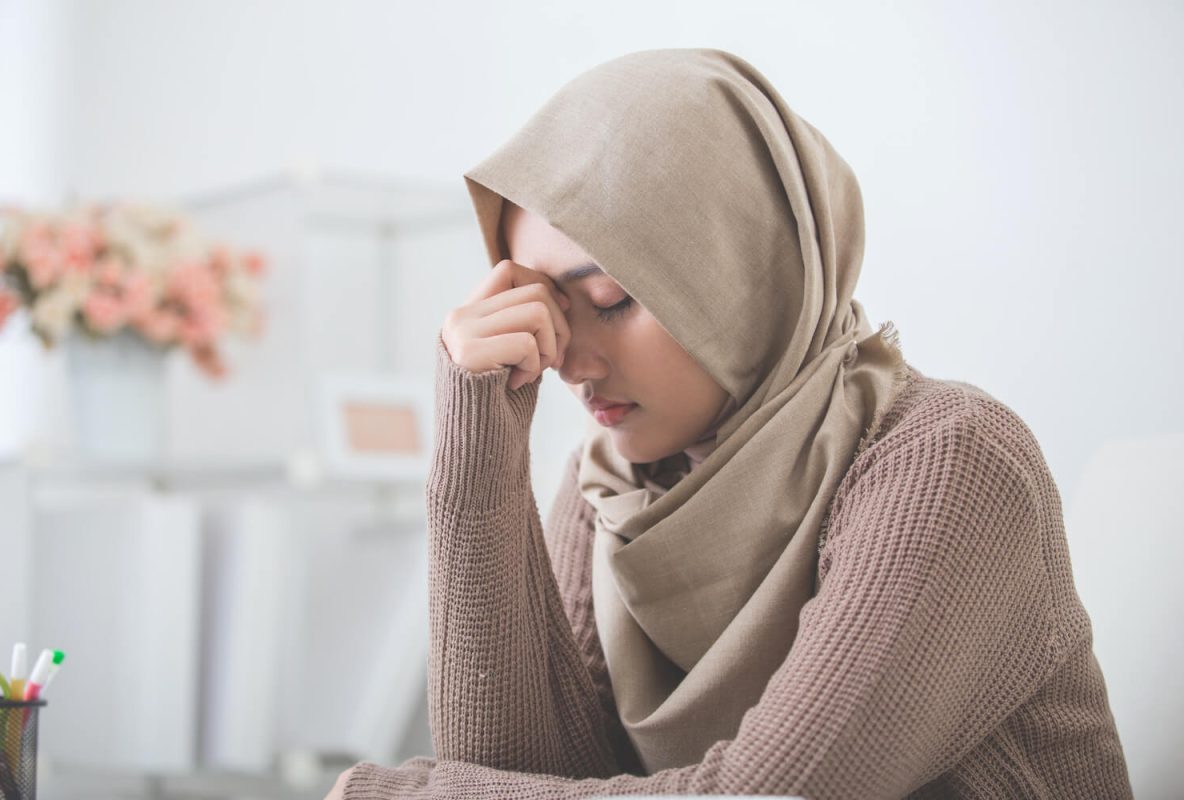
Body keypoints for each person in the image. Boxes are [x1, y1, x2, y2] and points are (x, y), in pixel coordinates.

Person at [328, 48, 1132, 799]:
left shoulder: (949, 463)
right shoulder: (608, 484)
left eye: (609, 301)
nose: (570, 362)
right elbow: (512, 772)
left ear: (740, 269)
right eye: (548, 313)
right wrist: (480, 441)